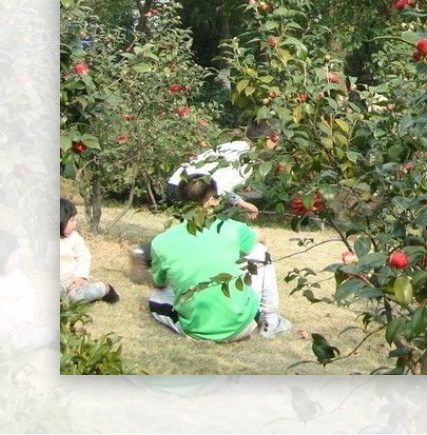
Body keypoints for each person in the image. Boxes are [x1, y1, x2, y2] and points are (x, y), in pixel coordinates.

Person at [147, 174, 292, 342]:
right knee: (260, 250)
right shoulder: (231, 228)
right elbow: (262, 238)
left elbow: (160, 284)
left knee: (155, 297)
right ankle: (271, 320)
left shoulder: (161, 241)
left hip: (197, 329)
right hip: (244, 324)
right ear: (212, 201)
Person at [166, 126, 278, 218]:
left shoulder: (237, 146)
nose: (277, 144)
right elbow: (221, 186)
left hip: (177, 183)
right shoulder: (246, 157)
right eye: (275, 139)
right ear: (267, 138)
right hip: (191, 189)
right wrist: (242, 203)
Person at [59, 198, 119, 304]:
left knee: (76, 297)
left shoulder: (74, 239)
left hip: (72, 281)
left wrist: (81, 275)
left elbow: (84, 256)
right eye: (72, 220)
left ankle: (103, 289)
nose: (75, 224)